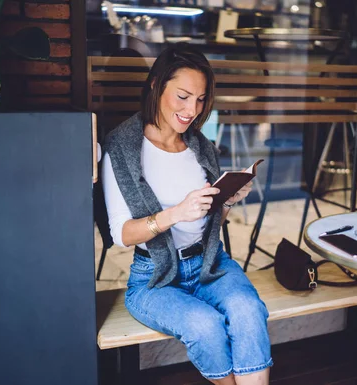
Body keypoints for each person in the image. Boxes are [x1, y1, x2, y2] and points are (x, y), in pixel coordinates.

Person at [102, 44, 273, 384]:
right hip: (154, 279)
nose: (191, 109)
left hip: (211, 265)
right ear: (155, 86)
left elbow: (210, 223)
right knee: (205, 326)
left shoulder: (200, 146)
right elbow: (121, 234)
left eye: (199, 99)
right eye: (182, 96)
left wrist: (226, 201)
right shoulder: (121, 148)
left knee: (249, 310)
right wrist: (176, 212)